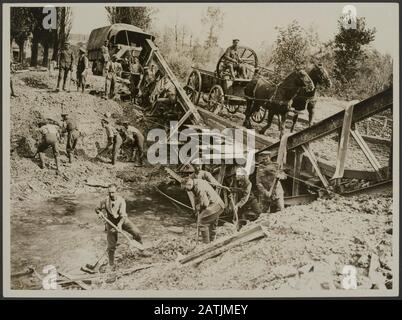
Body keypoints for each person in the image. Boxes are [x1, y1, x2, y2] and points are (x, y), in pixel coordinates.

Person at [95, 184, 143, 270]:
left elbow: (123, 216)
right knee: (111, 246)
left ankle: (141, 250)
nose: (111, 194)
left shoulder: (121, 201)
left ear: (117, 192)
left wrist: (120, 225)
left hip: (123, 220)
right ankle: (111, 265)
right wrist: (99, 213)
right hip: (111, 223)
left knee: (137, 232)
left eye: (113, 192)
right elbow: (97, 208)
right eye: (110, 193)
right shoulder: (105, 200)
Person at [182, 178, 225, 244]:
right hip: (217, 204)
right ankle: (212, 242)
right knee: (211, 222)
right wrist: (196, 210)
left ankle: (206, 244)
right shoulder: (195, 182)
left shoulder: (199, 187)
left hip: (216, 205)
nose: (186, 191)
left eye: (186, 188)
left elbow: (205, 203)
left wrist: (199, 208)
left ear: (189, 184)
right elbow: (197, 198)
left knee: (201, 221)